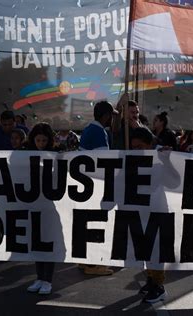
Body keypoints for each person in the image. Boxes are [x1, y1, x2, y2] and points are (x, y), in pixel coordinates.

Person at [78, 101, 118, 276]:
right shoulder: (98, 132)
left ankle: (85, 260)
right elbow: (104, 162)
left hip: (88, 183)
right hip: (95, 184)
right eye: (111, 116)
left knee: (89, 222)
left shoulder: (89, 129)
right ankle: (93, 264)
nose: (111, 119)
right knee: (96, 222)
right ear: (106, 116)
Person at [130, 127, 169, 303]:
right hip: (140, 210)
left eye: (140, 146)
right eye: (134, 147)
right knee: (145, 249)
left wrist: (167, 160)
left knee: (156, 250)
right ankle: (151, 280)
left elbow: (175, 179)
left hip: (158, 210)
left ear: (149, 144)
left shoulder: (160, 157)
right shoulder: (131, 160)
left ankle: (159, 286)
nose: (136, 150)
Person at [25, 122, 57, 295]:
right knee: (36, 243)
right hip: (34, 205)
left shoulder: (54, 156)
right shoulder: (27, 156)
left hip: (50, 206)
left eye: (44, 140)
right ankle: (39, 277)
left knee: (48, 243)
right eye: (38, 140)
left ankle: (48, 280)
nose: (41, 144)